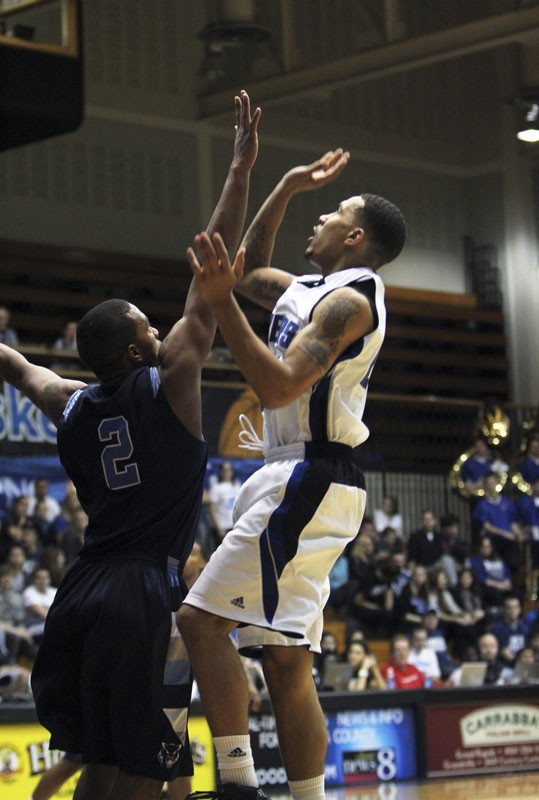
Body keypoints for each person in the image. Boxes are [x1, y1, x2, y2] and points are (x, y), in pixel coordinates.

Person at [0, 90, 260, 800]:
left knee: (100, 758)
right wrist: (239, 166)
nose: (159, 330)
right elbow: (207, 285)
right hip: (144, 589)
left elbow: (17, 364)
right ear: (140, 343)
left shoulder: (69, 404)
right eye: (149, 326)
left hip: (81, 590)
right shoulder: (172, 380)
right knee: (145, 767)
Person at [178, 148, 406, 800]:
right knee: (284, 661)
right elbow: (243, 268)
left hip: (311, 474)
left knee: (197, 623)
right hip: (290, 475)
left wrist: (222, 308)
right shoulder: (303, 289)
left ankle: (238, 785)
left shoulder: (351, 303)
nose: (320, 218)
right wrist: (278, 184)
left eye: (332, 212)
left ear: (354, 237)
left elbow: (276, 388)